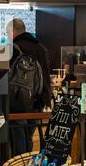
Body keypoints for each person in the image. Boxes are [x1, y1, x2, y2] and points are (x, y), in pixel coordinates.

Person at [6, 19, 52, 156]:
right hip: (38, 100)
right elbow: (46, 75)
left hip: (18, 100)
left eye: (7, 33)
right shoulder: (41, 48)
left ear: (12, 32)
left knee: (18, 135)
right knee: (28, 135)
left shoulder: (13, 48)